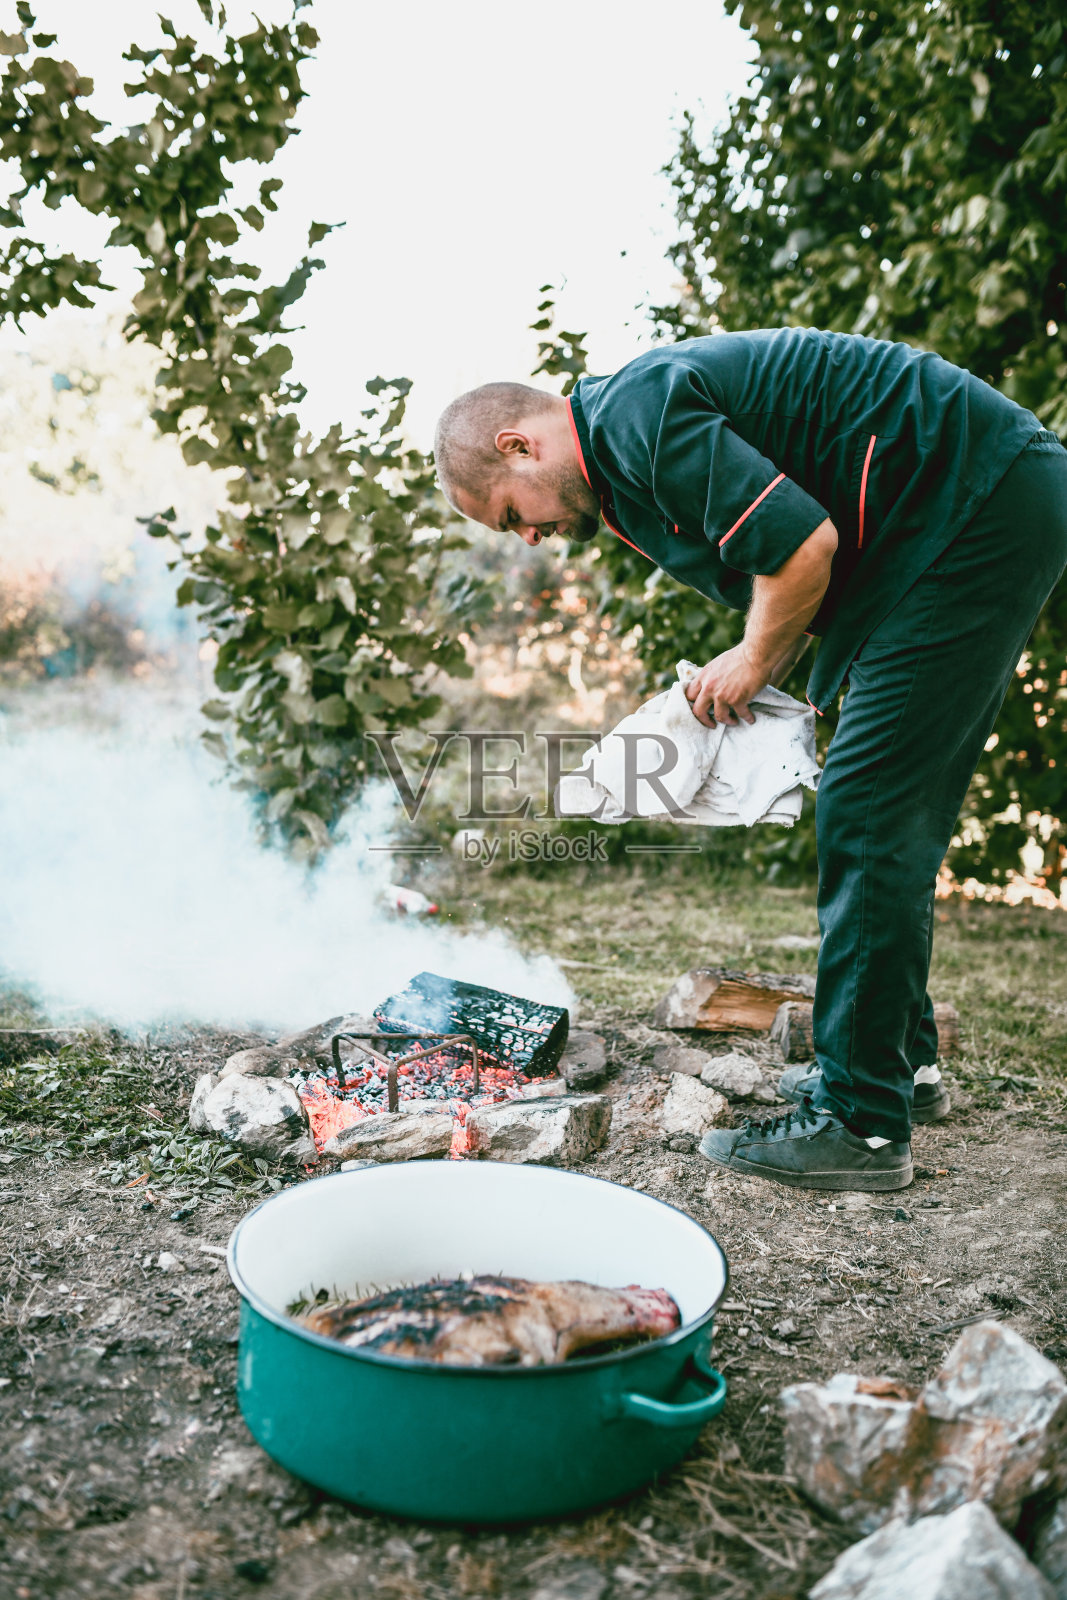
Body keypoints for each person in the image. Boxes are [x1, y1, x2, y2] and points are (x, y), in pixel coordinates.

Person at [434, 329, 1067, 1192]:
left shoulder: (630, 419)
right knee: (877, 807)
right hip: (954, 515)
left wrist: (754, 661)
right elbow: (794, 571)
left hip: (968, 501)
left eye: (511, 515)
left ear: (519, 445)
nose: (530, 539)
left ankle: (860, 1125)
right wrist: (748, 672)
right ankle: (898, 1070)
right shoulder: (624, 461)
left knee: (870, 809)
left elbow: (800, 548)